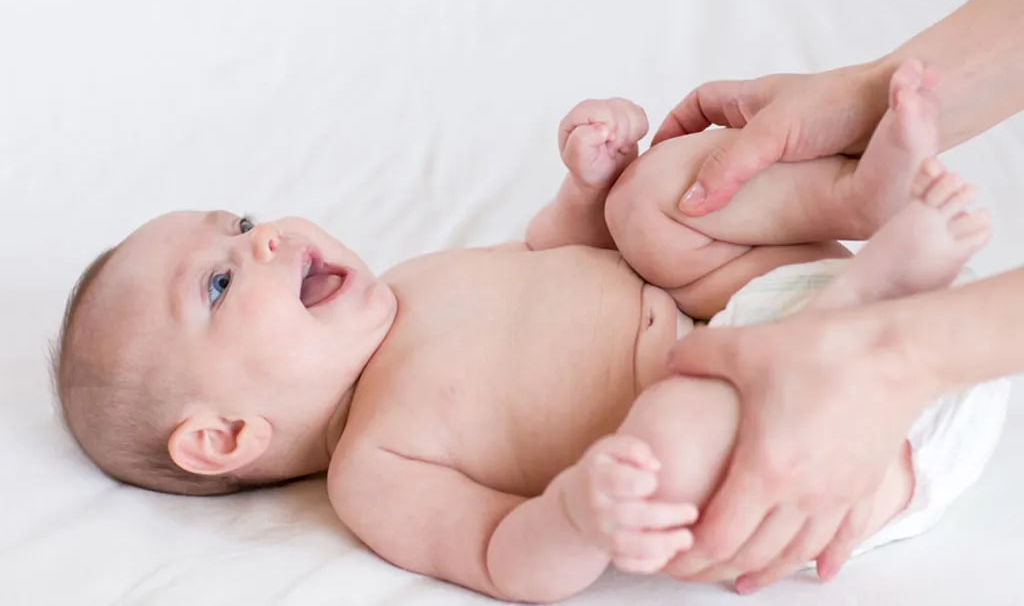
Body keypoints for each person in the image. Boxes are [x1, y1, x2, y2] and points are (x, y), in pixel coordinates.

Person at [52, 63, 1004, 600]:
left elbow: (559, 253)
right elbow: (504, 557)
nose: (264, 243)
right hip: (826, 460)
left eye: (245, 222)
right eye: (220, 282)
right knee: (665, 450)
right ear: (224, 436)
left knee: (652, 200)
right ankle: (875, 290)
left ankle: (861, 196)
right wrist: (579, 515)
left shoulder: (412, 287)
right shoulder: (374, 471)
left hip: (782, 310)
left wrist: (589, 184)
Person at [654, 0, 1024, 593]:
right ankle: (855, 200)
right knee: (653, 197)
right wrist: (867, 97)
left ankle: (873, 295)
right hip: (743, 327)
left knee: (692, 472)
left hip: (947, 372)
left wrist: (902, 356)